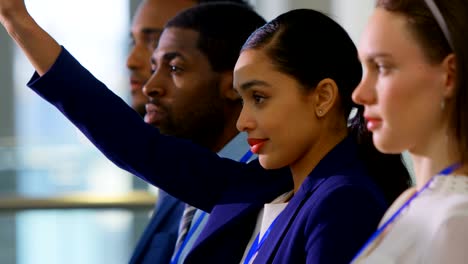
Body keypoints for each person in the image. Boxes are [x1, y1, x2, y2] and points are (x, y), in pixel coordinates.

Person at [0, 2, 412, 263]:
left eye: (260, 98)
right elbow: (136, 143)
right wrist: (18, 22)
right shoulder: (265, 185)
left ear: (322, 96)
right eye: (243, 98)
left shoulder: (343, 200)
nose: (242, 120)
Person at [126, 1, 255, 263]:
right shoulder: (177, 189)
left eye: (174, 66)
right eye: (155, 62)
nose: (151, 84)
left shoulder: (257, 183)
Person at [350, 0, 468, 263]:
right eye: (363, 69)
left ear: (449, 76)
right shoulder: (412, 200)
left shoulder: (457, 219)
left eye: (381, 67)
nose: (359, 94)